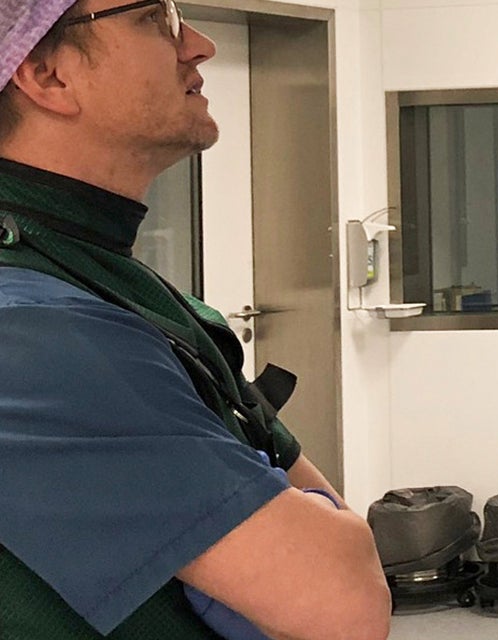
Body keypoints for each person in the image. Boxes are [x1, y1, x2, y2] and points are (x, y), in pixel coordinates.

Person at [0, 0, 389, 637]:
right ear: (46, 75)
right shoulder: (33, 332)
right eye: (156, 17)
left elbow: (340, 544)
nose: (199, 45)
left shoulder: (114, 284)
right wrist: (285, 508)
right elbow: (343, 600)